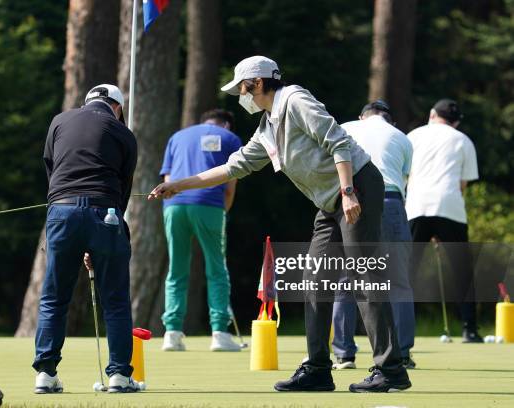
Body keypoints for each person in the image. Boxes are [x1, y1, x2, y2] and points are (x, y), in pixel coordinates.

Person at [149, 56, 411, 393]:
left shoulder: (295, 100)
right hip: (330, 201)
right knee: (315, 279)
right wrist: (178, 185)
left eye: (242, 89)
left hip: (357, 185)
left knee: (362, 275)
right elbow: (233, 167)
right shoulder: (267, 127)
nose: (240, 96)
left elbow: (338, 141)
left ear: (257, 83)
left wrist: (348, 192)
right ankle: (318, 369)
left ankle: (390, 369)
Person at [34, 84, 142, 393]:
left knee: (54, 297)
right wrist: (102, 237)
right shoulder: (123, 132)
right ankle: (120, 376)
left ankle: (45, 373)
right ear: (117, 108)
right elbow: (123, 187)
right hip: (104, 212)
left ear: (87, 102)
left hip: (61, 212)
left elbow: (51, 169)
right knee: (116, 300)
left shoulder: (59, 120)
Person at [331, 100, 416, 370]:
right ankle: (401, 353)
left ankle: (344, 354)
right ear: (389, 120)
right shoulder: (401, 137)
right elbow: (404, 180)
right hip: (390, 201)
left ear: (361, 116)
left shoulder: (345, 128)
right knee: (399, 282)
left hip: (352, 200)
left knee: (347, 279)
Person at [159, 109, 243, 352]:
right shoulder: (230, 139)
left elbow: (167, 178)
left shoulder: (178, 136)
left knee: (176, 269)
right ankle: (219, 333)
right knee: (217, 268)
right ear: (226, 125)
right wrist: (223, 213)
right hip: (210, 205)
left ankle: (172, 334)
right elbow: (230, 185)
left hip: (173, 206)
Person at [406, 99, 482, 343]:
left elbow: (404, 173)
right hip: (450, 207)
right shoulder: (463, 140)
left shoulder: (414, 135)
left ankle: (399, 330)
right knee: (462, 271)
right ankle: (470, 330)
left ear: (431, 114)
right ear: (456, 121)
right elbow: (462, 185)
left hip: (416, 206)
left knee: (407, 272)